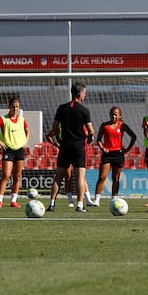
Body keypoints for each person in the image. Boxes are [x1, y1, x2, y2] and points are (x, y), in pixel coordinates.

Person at [46, 82, 95, 212]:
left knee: (59, 176)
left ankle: (51, 203)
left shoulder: (62, 108)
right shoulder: (84, 110)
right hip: (78, 146)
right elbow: (91, 130)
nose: (85, 95)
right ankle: (79, 205)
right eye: (84, 93)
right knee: (80, 176)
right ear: (80, 94)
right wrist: (90, 137)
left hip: (65, 145)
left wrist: (58, 139)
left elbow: (55, 127)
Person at [0, 97, 30, 208]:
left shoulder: (21, 119)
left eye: (17, 107)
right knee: (6, 175)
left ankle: (13, 200)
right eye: (13, 107)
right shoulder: (3, 119)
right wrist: (0, 143)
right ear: (9, 107)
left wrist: (25, 141)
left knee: (17, 175)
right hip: (8, 150)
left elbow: (27, 131)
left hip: (19, 150)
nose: (15, 109)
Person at [93, 106, 137, 206]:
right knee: (102, 177)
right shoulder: (104, 126)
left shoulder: (122, 126)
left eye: (116, 114)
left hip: (118, 154)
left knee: (116, 178)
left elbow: (133, 136)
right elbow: (99, 140)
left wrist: (127, 149)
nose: (113, 116)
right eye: (112, 114)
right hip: (107, 154)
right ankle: (97, 200)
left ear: (119, 116)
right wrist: (102, 148)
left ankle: (114, 198)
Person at [45, 128, 95, 208]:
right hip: (77, 149)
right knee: (70, 176)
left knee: (67, 176)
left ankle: (52, 203)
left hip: (66, 149)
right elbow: (89, 134)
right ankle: (74, 202)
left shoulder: (63, 122)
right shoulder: (77, 122)